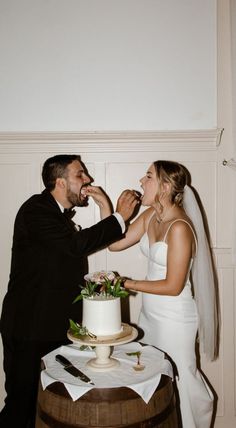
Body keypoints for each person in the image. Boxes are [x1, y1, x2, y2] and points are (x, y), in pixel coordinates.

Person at [0, 154, 139, 428]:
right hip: (29, 327)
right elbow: (76, 246)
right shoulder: (36, 210)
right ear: (60, 182)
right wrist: (120, 217)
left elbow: (66, 256)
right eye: (81, 174)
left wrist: (106, 210)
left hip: (51, 327)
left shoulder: (57, 217)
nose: (88, 180)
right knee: (20, 406)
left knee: (48, 405)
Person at [109, 160, 219, 428]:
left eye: (148, 176)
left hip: (175, 318)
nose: (140, 181)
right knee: (155, 377)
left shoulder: (180, 226)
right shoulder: (150, 216)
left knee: (180, 379)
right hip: (151, 314)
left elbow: (173, 285)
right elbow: (113, 244)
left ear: (166, 187)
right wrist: (110, 208)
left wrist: (129, 284)